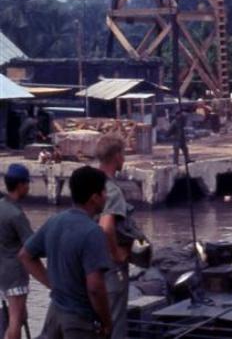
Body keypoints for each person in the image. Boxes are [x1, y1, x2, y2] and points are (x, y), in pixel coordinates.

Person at [19, 166, 112, 338]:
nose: (106, 196)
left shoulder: (54, 221)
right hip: (79, 320)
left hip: (55, 313)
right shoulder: (93, 232)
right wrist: (106, 321)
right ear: (94, 197)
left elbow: (25, 255)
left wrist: (53, 284)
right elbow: (95, 287)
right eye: (104, 191)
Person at [96, 135, 142, 339]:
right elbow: (106, 228)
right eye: (123, 154)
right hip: (110, 268)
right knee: (115, 320)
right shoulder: (112, 191)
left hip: (90, 264)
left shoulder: (90, 184)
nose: (124, 159)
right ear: (116, 156)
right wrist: (117, 254)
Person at [0, 164, 33, 339]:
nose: (29, 187)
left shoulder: (1, 206)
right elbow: (32, 244)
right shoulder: (15, 214)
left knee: (18, 317)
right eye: (27, 183)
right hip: (15, 274)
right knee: (16, 320)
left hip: (2, 270)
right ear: (20, 185)